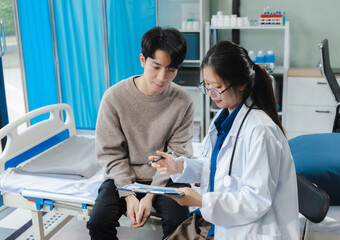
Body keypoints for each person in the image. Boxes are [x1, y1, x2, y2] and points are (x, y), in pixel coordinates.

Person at [150, 41, 300, 240]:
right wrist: (179, 167)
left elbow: (256, 201)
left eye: (217, 87)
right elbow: (215, 167)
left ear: (241, 83)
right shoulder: (222, 119)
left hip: (251, 230)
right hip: (220, 222)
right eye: (207, 86)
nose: (212, 94)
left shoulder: (261, 132)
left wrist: (202, 200)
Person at [87, 26, 194, 240]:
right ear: (143, 60)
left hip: (167, 176)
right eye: (156, 66)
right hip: (123, 175)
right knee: (98, 223)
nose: (162, 77)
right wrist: (129, 194)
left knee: (179, 225)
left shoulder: (183, 101)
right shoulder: (114, 98)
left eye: (171, 69)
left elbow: (176, 155)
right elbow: (111, 154)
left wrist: (151, 195)